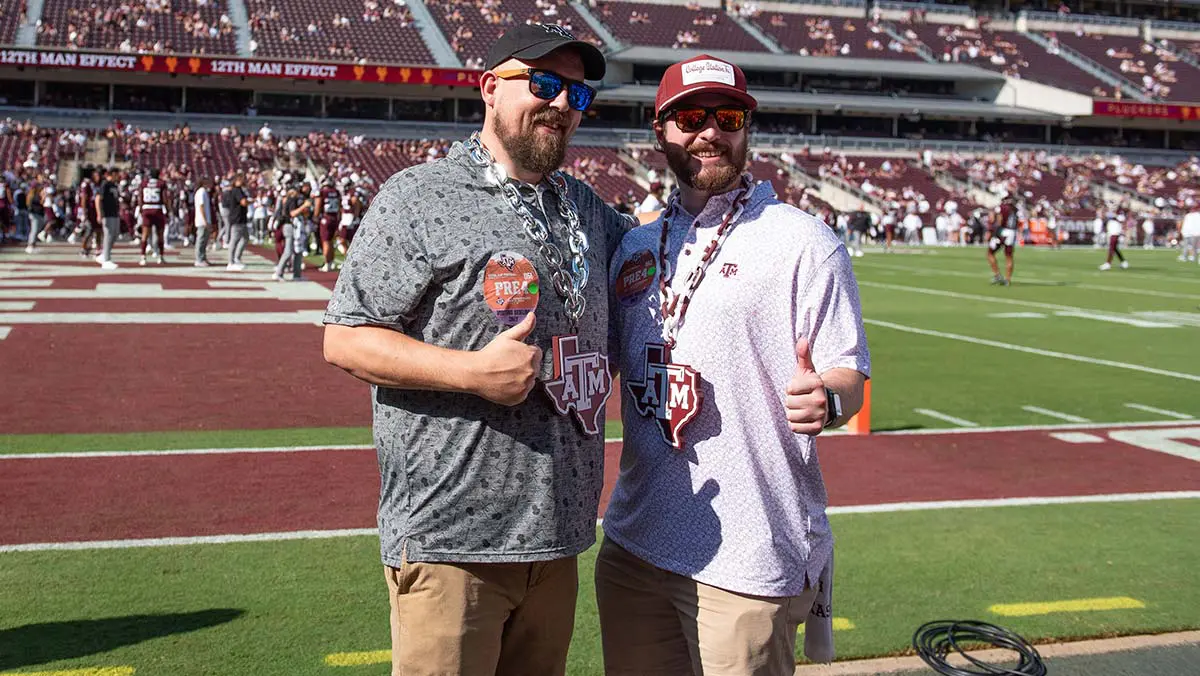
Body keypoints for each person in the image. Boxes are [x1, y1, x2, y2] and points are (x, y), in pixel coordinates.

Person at [322, 22, 630, 676]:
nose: (561, 104)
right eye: (543, 83)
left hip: (558, 543)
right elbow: (345, 337)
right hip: (452, 546)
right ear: (489, 88)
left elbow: (665, 258)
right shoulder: (419, 195)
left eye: (577, 94)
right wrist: (470, 371)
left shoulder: (588, 211)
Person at [597, 53, 871, 676]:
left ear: (746, 127)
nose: (709, 132)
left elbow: (848, 375)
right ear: (660, 130)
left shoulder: (803, 241)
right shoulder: (637, 245)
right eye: (690, 117)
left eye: (727, 116)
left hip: (749, 555)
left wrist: (827, 399)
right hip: (635, 543)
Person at [137, 169, 170, 266]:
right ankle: (160, 257)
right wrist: (167, 210)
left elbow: (140, 197)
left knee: (145, 235)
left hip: (146, 209)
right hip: (157, 209)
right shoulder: (161, 183)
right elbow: (164, 198)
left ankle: (143, 257)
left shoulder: (144, 183)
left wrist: (141, 209)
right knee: (160, 234)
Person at [987, 195, 1018, 285]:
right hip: (1012, 233)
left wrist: (994, 233)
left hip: (1002, 232)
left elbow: (999, 221)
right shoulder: (1014, 209)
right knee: (1009, 256)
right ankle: (1007, 279)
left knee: (990, 253)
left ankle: (997, 275)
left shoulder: (1002, 208)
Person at [95, 167, 121, 270]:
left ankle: (103, 255)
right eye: (117, 174)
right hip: (107, 213)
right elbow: (98, 199)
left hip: (114, 213)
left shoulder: (114, 185)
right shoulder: (105, 184)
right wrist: (99, 213)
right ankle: (106, 260)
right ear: (113, 174)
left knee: (115, 234)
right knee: (108, 235)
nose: (119, 176)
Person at [224, 175, 250, 271]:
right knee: (234, 240)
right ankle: (231, 262)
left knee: (245, 238)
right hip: (237, 218)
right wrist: (250, 202)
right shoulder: (237, 190)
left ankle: (236, 258)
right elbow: (243, 202)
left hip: (241, 218)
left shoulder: (239, 190)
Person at [193, 176, 214, 267]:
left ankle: (203, 257)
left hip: (205, 219)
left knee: (204, 240)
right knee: (201, 240)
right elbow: (201, 206)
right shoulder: (201, 192)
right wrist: (205, 220)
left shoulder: (204, 192)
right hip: (202, 220)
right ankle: (199, 259)